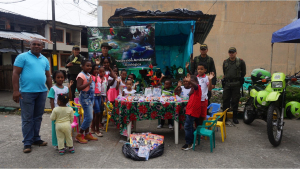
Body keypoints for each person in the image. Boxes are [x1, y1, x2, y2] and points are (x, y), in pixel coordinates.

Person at [12, 39, 52, 153]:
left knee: (38, 117)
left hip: (42, 92)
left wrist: (52, 91)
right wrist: (15, 90)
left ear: (42, 47)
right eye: (34, 44)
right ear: (29, 45)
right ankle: (27, 142)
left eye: (39, 44)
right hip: (26, 92)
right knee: (27, 118)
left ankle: (36, 138)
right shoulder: (22, 57)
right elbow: (15, 73)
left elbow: (48, 76)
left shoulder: (44, 59)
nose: (36, 46)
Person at [47, 70, 73, 149]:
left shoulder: (66, 88)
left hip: (65, 112)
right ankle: (58, 144)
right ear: (54, 78)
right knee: (57, 130)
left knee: (66, 129)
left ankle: (65, 143)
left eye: (62, 77)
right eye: (58, 77)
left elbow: (70, 98)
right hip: (57, 113)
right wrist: (53, 111)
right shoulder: (53, 89)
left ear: (64, 78)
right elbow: (51, 100)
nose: (60, 79)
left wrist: (69, 88)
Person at [75, 60, 98, 143]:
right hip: (85, 98)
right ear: (82, 66)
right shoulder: (81, 75)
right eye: (87, 66)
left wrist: (93, 100)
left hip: (90, 98)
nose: (89, 67)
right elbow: (79, 88)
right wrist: (89, 83)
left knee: (87, 116)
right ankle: (79, 135)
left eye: (90, 66)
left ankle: (87, 134)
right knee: (89, 117)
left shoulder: (89, 75)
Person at [222, 47, 246, 124]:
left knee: (235, 101)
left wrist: (238, 79)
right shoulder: (225, 62)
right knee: (225, 100)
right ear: (228, 53)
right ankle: (224, 117)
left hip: (236, 84)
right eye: (230, 52)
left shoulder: (240, 61)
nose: (231, 54)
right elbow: (224, 72)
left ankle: (234, 117)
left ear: (236, 53)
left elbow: (243, 72)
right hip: (227, 84)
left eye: (233, 52)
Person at [182, 74, 202, 151]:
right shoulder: (192, 90)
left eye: (191, 82)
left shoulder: (198, 88)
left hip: (193, 111)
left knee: (187, 126)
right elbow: (191, 100)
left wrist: (190, 81)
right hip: (190, 110)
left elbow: (196, 86)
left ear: (196, 82)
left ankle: (189, 143)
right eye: (190, 83)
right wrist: (186, 106)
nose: (190, 84)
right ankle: (192, 141)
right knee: (189, 126)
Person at [90, 64, 103, 137]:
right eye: (94, 69)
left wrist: (101, 97)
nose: (96, 70)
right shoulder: (91, 77)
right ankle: (97, 130)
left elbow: (99, 88)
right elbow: (91, 89)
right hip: (94, 97)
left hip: (99, 96)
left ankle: (93, 128)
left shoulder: (98, 77)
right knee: (97, 113)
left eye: (97, 69)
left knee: (95, 113)